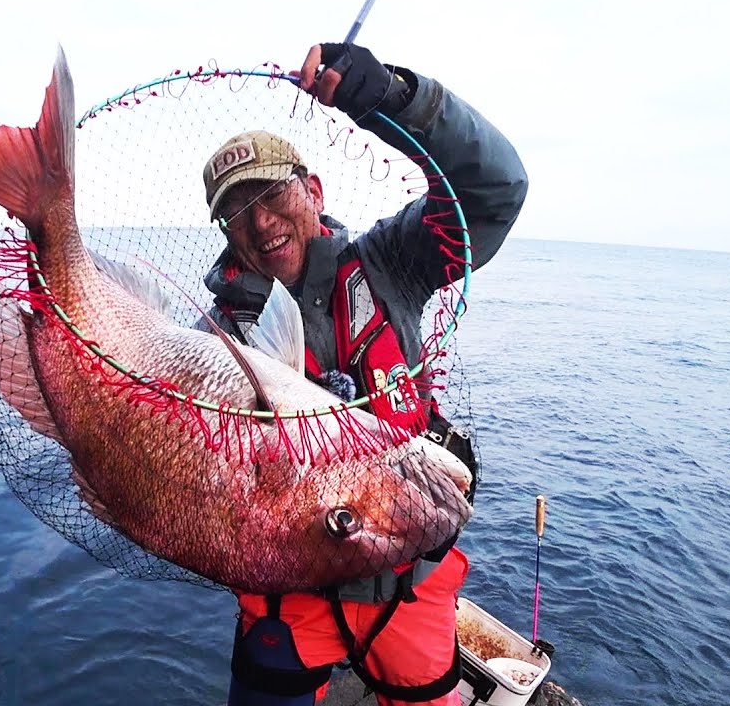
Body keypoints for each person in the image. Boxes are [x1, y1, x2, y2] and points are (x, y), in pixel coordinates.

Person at [199, 43, 528, 706]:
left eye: (270, 194)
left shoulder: (394, 262)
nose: (260, 223)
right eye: (237, 212)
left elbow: (495, 192)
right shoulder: (216, 338)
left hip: (406, 592)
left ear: (312, 191)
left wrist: (399, 100)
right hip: (287, 600)